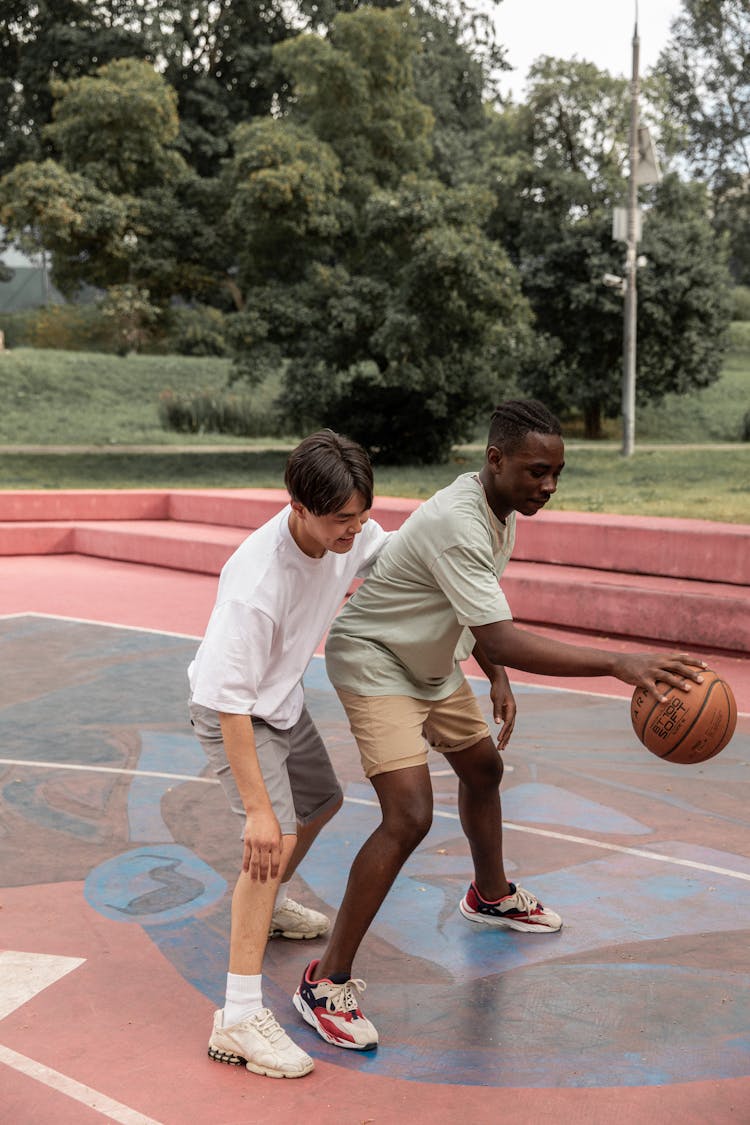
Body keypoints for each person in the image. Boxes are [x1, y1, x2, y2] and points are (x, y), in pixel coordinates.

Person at [291, 399, 707, 1051]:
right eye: (537, 470)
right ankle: (325, 980)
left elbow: (473, 606)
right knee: (408, 815)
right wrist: (618, 660)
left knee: (483, 766)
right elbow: (502, 632)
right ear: (496, 459)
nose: (548, 485)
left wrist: (496, 673)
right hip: (376, 655)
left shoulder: (499, 509)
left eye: (557, 473)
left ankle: (489, 894)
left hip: (428, 655)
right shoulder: (461, 520)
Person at [187, 430, 389, 1078]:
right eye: (341, 521)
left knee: (323, 800)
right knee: (271, 837)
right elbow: (227, 703)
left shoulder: (346, 528)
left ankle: (265, 906)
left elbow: (393, 550)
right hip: (237, 714)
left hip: (279, 699)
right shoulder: (256, 581)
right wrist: (256, 811)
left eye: (361, 516)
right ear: (298, 507)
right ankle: (238, 1016)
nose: (354, 532)